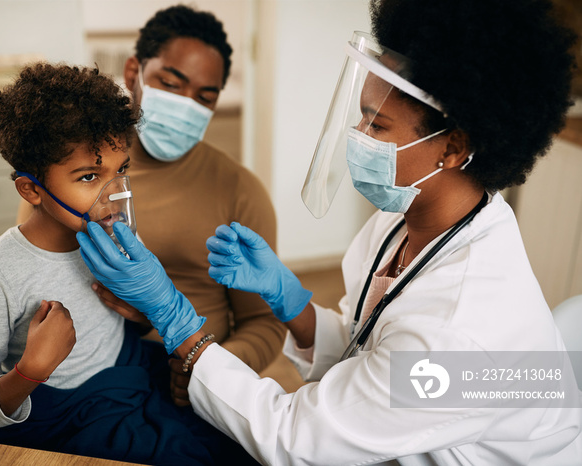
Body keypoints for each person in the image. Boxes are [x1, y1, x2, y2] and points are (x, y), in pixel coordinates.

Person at [77, 0, 582, 464]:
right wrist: (293, 302)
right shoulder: (406, 221)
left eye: (377, 126)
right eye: (361, 117)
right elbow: (371, 353)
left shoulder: (460, 334)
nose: (357, 139)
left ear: (453, 148)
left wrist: (174, 317)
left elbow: (293, 438)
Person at [0, 4, 284, 435]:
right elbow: (6, 300)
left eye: (205, 97)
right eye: (171, 84)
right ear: (134, 71)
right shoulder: (59, 193)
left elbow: (264, 322)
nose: (114, 194)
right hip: (75, 396)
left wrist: (209, 367)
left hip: (175, 368)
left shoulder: (240, 190)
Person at [0, 62, 252, 465]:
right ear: (31, 189)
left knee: (237, 444)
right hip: (61, 418)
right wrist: (30, 370)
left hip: (131, 377)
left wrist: (139, 318)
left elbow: (127, 322)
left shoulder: (116, 237)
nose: (116, 195)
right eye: (90, 177)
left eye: (121, 170)